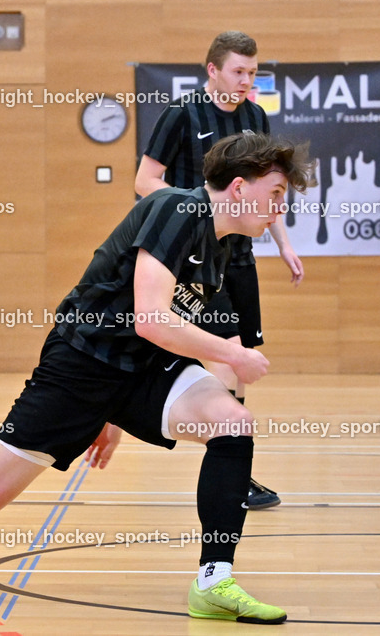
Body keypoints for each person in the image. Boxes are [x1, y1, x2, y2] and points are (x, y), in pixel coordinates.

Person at [0, 132, 316, 624]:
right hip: (80, 366)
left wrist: (119, 414)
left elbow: (166, 335)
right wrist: (232, 356)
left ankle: (214, 580)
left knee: (232, 424)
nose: (279, 208)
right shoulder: (179, 209)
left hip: (141, 372)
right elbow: (150, 318)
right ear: (239, 187)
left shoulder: (218, 249)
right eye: (276, 193)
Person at [135, 31, 303, 510]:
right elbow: (145, 179)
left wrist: (284, 242)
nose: (246, 81)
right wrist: (189, 214)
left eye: (252, 73)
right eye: (238, 71)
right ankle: (235, 467)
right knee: (227, 354)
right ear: (212, 70)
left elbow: (269, 190)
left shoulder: (255, 117)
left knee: (240, 360)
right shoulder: (182, 114)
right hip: (194, 254)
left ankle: (235, 461)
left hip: (240, 258)